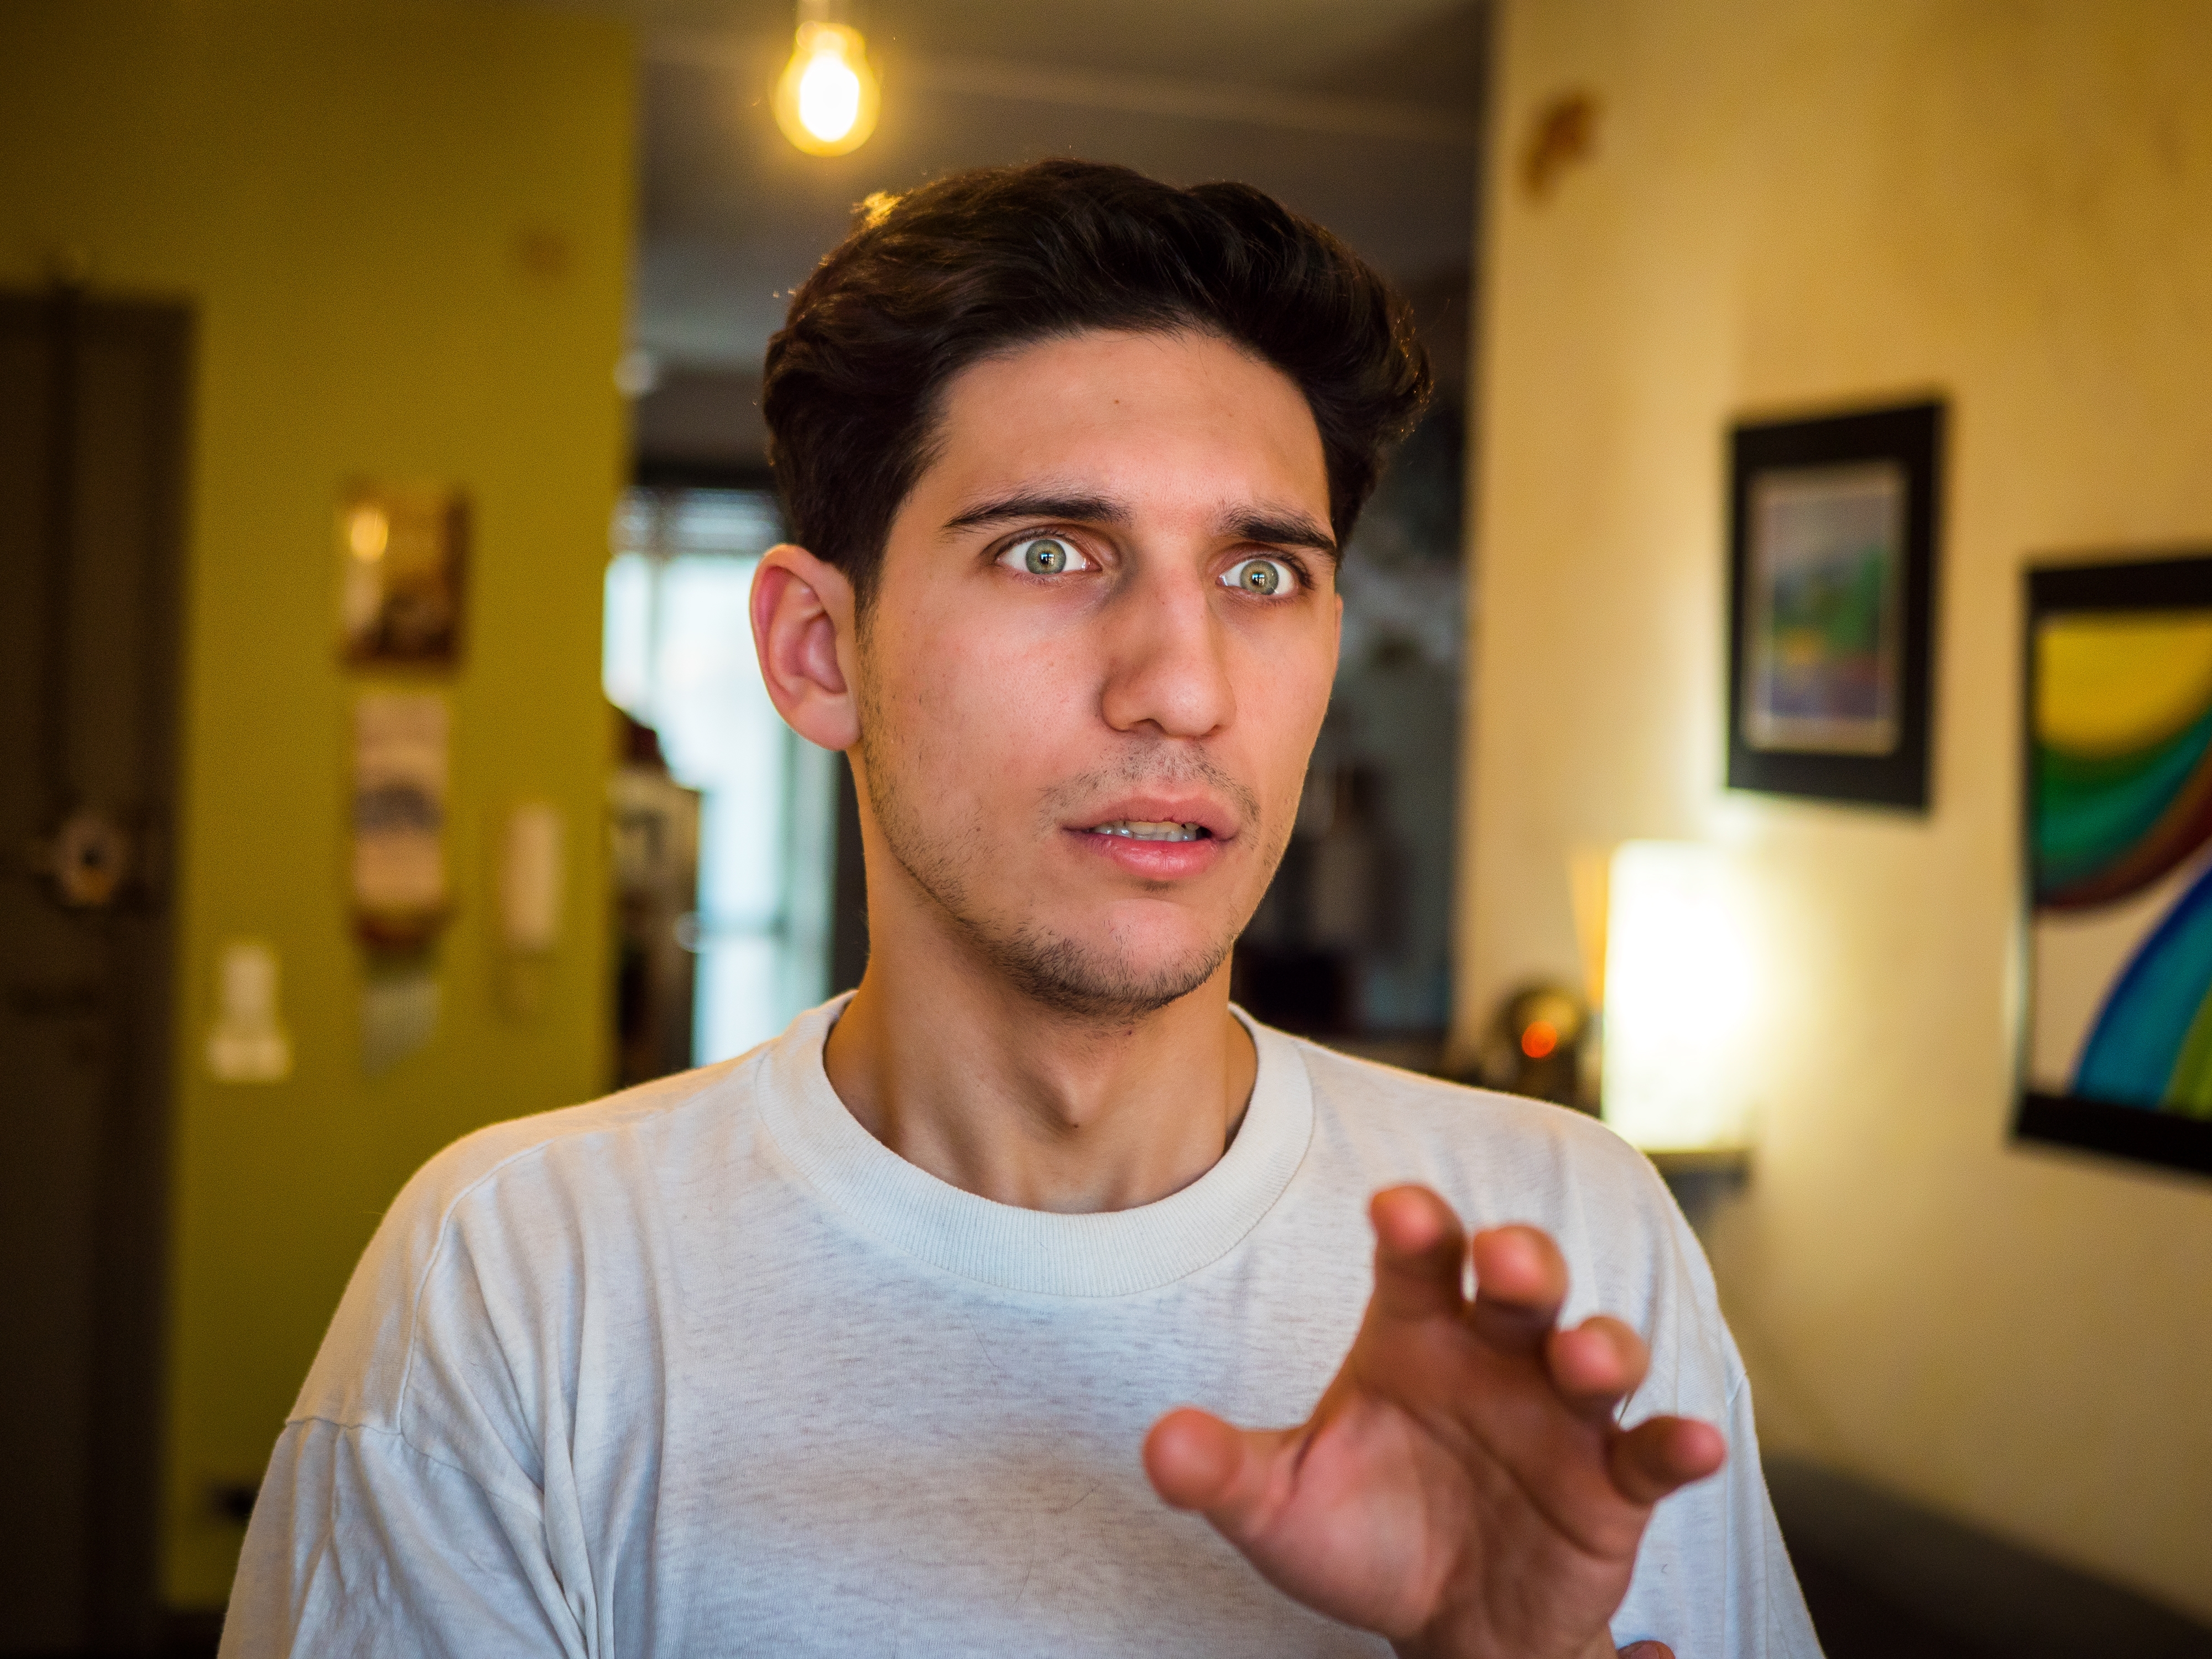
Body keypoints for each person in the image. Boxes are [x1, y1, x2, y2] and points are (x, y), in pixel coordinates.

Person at [223, 160, 1821, 1659]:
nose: (1184, 688)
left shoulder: (1565, 1244)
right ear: (814, 652)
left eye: (1263, 574)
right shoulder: (521, 1281)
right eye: (1051, 552)